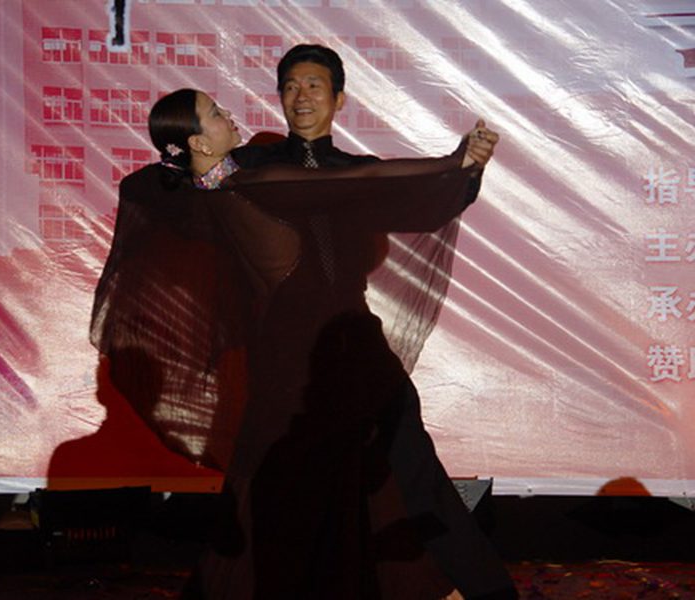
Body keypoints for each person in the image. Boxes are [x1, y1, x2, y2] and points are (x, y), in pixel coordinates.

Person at [91, 87, 497, 599]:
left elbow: (142, 185)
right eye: (215, 114)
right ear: (198, 142)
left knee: (298, 492)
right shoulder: (253, 184)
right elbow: (358, 180)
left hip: (284, 363)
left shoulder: (200, 196)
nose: (228, 116)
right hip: (322, 360)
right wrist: (453, 162)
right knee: (350, 484)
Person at [229, 44, 517, 600]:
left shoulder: (357, 172)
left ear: (339, 99)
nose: (302, 96)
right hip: (285, 346)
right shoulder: (253, 166)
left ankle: (474, 587)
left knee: (408, 456)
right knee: (292, 477)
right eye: (290, 85)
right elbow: (196, 189)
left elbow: (425, 202)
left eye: (314, 85)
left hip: (350, 335)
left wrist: (466, 168)